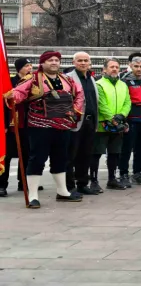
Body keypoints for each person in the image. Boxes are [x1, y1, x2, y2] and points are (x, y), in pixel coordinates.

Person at [10, 52, 85, 208]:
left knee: (61, 158)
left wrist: (75, 111)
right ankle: (33, 195)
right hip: (40, 126)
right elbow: (19, 92)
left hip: (63, 125)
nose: (54, 62)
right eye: (50, 60)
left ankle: (63, 191)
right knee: (37, 159)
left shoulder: (68, 79)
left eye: (57, 60)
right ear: (42, 63)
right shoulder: (32, 79)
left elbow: (79, 95)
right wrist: (12, 96)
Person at [94, 59, 131, 190]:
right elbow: (101, 105)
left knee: (115, 152)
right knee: (97, 153)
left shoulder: (123, 85)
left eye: (117, 67)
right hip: (102, 124)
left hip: (118, 124)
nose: (114, 69)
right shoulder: (99, 84)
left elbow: (128, 102)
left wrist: (122, 115)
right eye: (111, 67)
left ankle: (112, 179)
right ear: (104, 69)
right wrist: (113, 119)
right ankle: (94, 180)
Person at [65, 52, 99, 196]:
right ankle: (68, 185)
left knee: (86, 154)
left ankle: (82, 184)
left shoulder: (91, 78)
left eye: (86, 60)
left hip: (90, 122)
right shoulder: (68, 78)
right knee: (70, 155)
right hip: (75, 122)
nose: (83, 63)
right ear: (74, 62)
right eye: (80, 61)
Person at [0, 58, 33, 197]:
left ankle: (23, 183)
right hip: (12, 125)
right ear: (19, 68)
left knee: (26, 154)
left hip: (28, 124)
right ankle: (2, 185)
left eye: (30, 65)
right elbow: (4, 105)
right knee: (7, 156)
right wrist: (5, 124)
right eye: (26, 66)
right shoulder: (10, 83)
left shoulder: (33, 83)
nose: (29, 68)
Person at [120, 56, 141, 185]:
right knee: (127, 149)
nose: (139, 69)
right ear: (131, 66)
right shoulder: (125, 81)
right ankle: (123, 174)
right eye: (136, 66)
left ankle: (138, 172)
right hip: (131, 119)